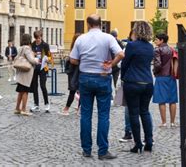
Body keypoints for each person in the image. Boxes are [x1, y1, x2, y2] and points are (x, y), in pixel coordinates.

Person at [70, 14, 124, 160]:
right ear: (101, 24)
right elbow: (120, 54)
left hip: (85, 78)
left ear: (88, 24)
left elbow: (73, 60)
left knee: (85, 115)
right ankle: (103, 151)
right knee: (103, 115)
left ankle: (86, 149)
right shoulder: (108, 38)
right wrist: (111, 64)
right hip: (103, 77)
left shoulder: (81, 39)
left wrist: (85, 59)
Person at [121, 21, 155, 153]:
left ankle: (138, 143)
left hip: (133, 82)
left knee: (134, 113)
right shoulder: (150, 47)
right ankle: (149, 141)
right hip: (147, 82)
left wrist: (123, 77)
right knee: (145, 112)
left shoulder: (131, 45)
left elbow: (125, 64)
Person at [152, 33, 178, 127]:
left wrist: (154, 71)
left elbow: (158, 64)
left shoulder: (157, 50)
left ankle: (164, 123)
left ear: (161, 40)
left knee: (161, 100)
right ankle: (173, 122)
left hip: (161, 76)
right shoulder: (172, 49)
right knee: (172, 100)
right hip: (171, 76)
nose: (155, 41)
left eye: (156, 39)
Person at [14, 33, 39, 116]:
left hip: (20, 72)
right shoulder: (27, 48)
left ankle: (17, 108)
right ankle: (24, 109)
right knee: (25, 91)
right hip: (26, 73)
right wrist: (36, 60)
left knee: (20, 91)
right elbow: (31, 60)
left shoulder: (20, 48)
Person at [30, 30, 52, 112]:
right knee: (34, 86)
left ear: (41, 37)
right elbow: (30, 55)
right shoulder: (32, 45)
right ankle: (36, 104)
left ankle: (46, 103)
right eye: (36, 38)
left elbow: (49, 56)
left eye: (39, 38)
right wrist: (33, 55)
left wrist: (48, 59)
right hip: (34, 68)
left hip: (43, 68)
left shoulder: (45, 45)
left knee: (43, 85)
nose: (37, 40)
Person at [61, 33, 81, 116]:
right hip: (75, 72)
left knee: (75, 91)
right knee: (74, 91)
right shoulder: (76, 50)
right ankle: (70, 109)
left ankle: (69, 109)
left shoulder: (74, 49)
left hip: (75, 73)